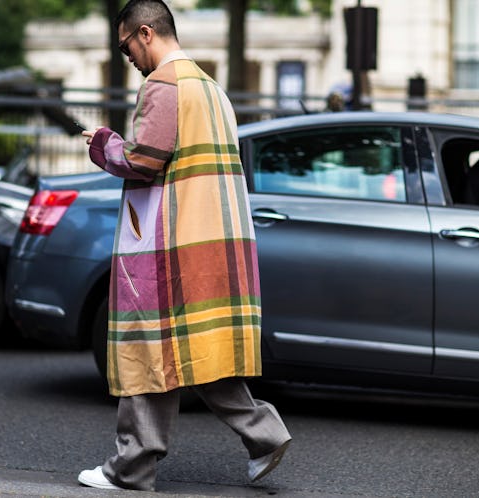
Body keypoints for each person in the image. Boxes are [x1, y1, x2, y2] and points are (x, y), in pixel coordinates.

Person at [78, 0, 292, 491]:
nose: (127, 56)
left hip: (166, 242)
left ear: (146, 33)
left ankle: (131, 469)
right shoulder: (210, 86)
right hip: (213, 238)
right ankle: (264, 434)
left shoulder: (163, 84)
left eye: (126, 45)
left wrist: (104, 143)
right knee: (194, 350)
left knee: (146, 350)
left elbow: (144, 160)